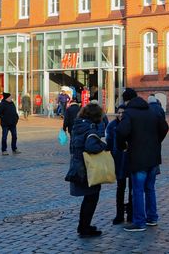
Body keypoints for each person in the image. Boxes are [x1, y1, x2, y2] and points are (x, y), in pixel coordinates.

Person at [117, 88, 169, 232]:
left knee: (138, 190)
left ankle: (139, 221)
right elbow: (165, 127)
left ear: (126, 101)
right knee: (150, 188)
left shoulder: (129, 113)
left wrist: (123, 145)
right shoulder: (152, 111)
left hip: (138, 157)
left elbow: (121, 131)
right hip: (153, 157)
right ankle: (152, 217)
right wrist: (157, 142)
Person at [66, 102, 108, 238]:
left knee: (88, 198)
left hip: (78, 165)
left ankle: (83, 225)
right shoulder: (90, 128)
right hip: (88, 168)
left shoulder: (78, 125)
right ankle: (84, 228)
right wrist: (102, 146)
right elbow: (91, 146)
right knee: (91, 198)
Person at [105, 105, 131, 225]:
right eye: (119, 113)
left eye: (123, 113)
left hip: (130, 159)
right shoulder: (112, 125)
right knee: (120, 188)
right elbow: (109, 142)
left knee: (132, 188)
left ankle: (131, 213)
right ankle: (119, 214)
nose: (120, 115)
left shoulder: (130, 124)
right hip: (118, 160)